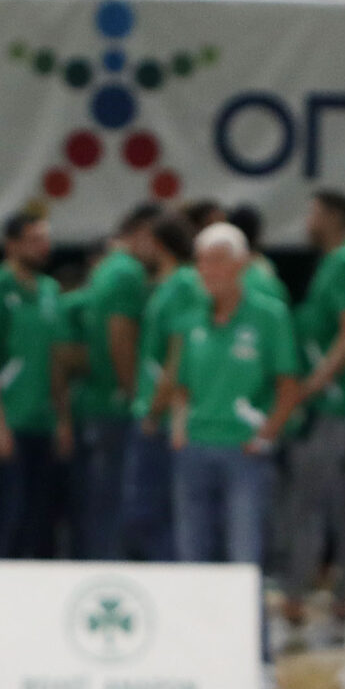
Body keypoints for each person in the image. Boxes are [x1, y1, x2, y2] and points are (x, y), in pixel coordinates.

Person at [171, 221, 302, 624]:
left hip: (243, 452)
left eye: (216, 262)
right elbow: (180, 383)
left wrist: (265, 436)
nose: (207, 271)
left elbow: (288, 386)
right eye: (201, 262)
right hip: (195, 447)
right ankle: (198, 652)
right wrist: (178, 428)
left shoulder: (269, 315)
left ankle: (255, 657)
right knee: (192, 555)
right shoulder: (190, 318)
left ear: (241, 265)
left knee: (244, 555)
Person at [283, 188, 345, 643]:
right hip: (339, 404)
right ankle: (343, 595)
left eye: (313, 211)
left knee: (311, 504)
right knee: (344, 507)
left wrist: (315, 383)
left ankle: (298, 594)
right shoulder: (338, 263)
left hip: (337, 405)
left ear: (334, 217)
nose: (306, 219)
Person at [0, 212, 64, 558]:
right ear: (12, 245)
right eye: (34, 240)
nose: (43, 247)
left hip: (42, 419)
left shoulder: (50, 291)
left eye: (45, 239)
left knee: (40, 516)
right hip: (10, 419)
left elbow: (55, 360)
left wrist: (62, 418)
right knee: (8, 510)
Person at [66, 204, 155, 559]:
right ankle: (110, 570)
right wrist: (134, 393)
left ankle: (98, 563)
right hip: (116, 404)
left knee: (101, 499)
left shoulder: (104, 272)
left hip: (97, 399)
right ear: (142, 233)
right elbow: (120, 337)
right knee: (118, 500)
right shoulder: (127, 274)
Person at [121, 211, 198, 563]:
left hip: (161, 416)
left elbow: (179, 351)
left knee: (150, 508)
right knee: (146, 509)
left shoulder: (182, 284)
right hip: (152, 409)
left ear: (159, 245)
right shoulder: (166, 286)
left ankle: (167, 578)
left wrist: (157, 407)